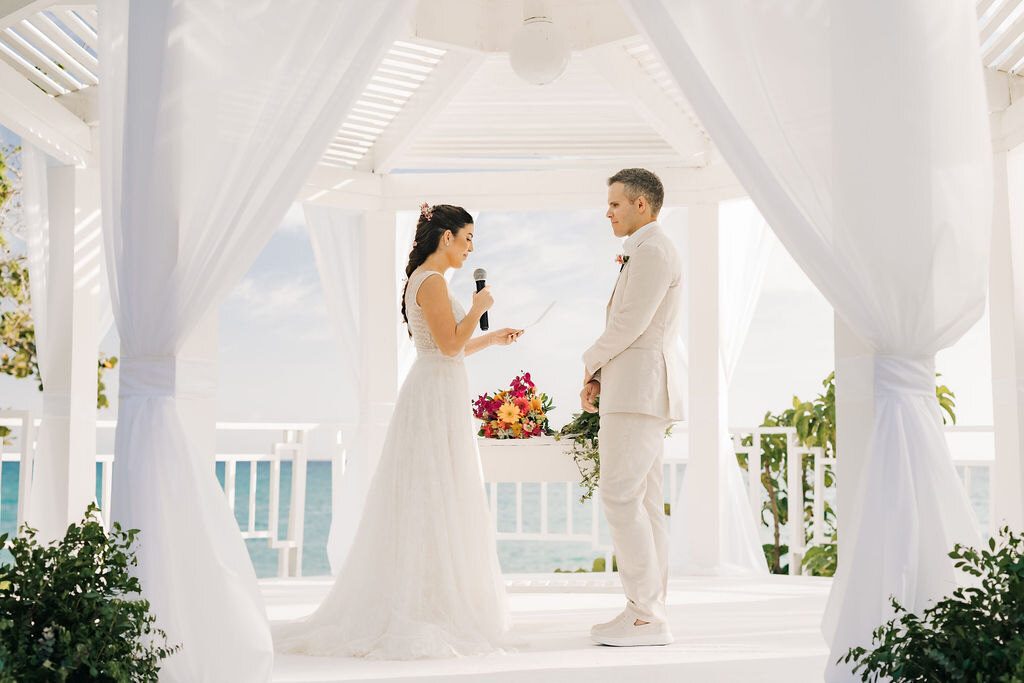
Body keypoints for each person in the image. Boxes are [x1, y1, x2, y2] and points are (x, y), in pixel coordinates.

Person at [274, 203, 523, 659]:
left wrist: (492, 335)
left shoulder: (431, 282)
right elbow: (448, 345)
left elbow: (452, 348)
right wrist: (481, 307)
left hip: (438, 387)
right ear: (445, 237)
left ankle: (433, 593)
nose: (471, 249)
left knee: (437, 494)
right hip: (433, 395)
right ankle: (425, 602)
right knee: (431, 492)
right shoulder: (430, 282)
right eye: (467, 238)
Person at [581, 168, 685, 647]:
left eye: (615, 204)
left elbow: (630, 323)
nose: (608, 212)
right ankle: (647, 610)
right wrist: (602, 375)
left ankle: (646, 615)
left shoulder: (653, 250)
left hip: (640, 392)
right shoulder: (646, 251)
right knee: (643, 501)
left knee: (621, 496)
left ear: (641, 205)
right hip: (637, 389)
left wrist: (589, 362)